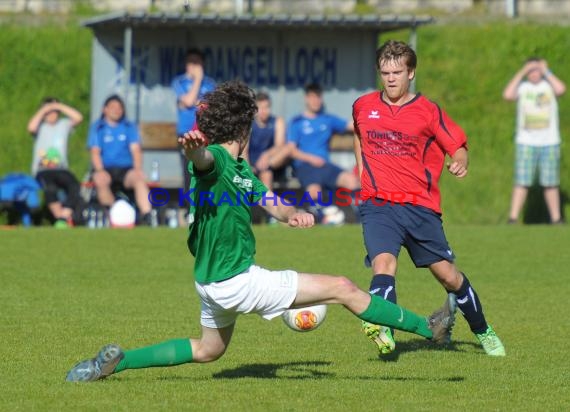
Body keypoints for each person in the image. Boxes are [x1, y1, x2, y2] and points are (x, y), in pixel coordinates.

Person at [65, 80, 455, 382]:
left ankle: (116, 363)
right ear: (246, 127)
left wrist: (293, 214)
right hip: (236, 280)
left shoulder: (241, 169)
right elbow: (203, 162)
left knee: (208, 350)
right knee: (342, 287)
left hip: (210, 281)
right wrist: (192, 151)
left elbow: (270, 202)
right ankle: (428, 328)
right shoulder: (217, 158)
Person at [352, 40, 505, 357]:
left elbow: (458, 145)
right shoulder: (363, 106)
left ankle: (483, 330)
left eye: (397, 72)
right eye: (385, 72)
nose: (391, 78)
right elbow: (358, 133)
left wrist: (460, 161)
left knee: (449, 276)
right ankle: (383, 328)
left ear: (411, 73)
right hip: (378, 203)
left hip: (419, 207)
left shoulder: (428, 111)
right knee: (384, 263)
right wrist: (362, 174)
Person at [503, 57, 566, 224]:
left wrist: (546, 71)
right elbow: (508, 95)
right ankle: (513, 218)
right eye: (530, 70)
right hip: (526, 142)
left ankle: (556, 218)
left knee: (550, 182)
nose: (533, 73)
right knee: (522, 181)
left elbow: (561, 89)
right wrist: (522, 71)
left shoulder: (548, 86)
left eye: (536, 70)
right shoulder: (523, 87)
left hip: (549, 142)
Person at [287, 83, 360, 222]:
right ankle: (324, 218)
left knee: (353, 181)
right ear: (306, 98)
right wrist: (311, 158)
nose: (316, 101)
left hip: (325, 166)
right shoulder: (297, 122)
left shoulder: (327, 119)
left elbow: (352, 125)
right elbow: (291, 150)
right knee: (315, 191)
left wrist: (373, 123)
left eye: (318, 97)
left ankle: (360, 218)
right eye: (313, 97)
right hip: (305, 166)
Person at [87, 94, 154, 226]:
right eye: (113, 107)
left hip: (125, 169)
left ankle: (147, 216)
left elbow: (136, 150)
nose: (117, 110)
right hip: (105, 168)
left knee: (139, 179)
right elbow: (95, 152)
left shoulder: (128, 126)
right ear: (104, 109)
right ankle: (112, 213)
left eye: (119, 107)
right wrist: (100, 170)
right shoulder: (98, 127)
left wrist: (138, 169)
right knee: (101, 180)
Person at [172, 48, 216, 225]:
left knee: (207, 171)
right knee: (190, 171)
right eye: (191, 62)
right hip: (187, 135)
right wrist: (197, 79)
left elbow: (209, 106)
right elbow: (190, 101)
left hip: (206, 133)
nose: (194, 66)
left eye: (197, 62)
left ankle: (208, 209)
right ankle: (191, 211)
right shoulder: (179, 82)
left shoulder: (211, 83)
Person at [27, 97, 84, 228]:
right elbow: (30, 127)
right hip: (43, 169)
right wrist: (44, 109)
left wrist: (59, 106)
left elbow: (78, 118)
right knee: (50, 188)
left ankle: (63, 217)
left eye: (53, 112)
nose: (51, 114)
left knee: (74, 185)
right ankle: (61, 219)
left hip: (61, 168)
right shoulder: (40, 127)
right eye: (48, 112)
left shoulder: (63, 124)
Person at [248, 91, 291, 223]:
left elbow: (279, 145)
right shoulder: (249, 124)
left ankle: (269, 215)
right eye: (260, 108)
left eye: (266, 107)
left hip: (273, 163)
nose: (263, 111)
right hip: (253, 162)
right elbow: (243, 148)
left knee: (268, 171)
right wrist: (247, 166)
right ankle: (269, 213)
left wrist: (266, 156)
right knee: (264, 173)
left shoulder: (277, 121)